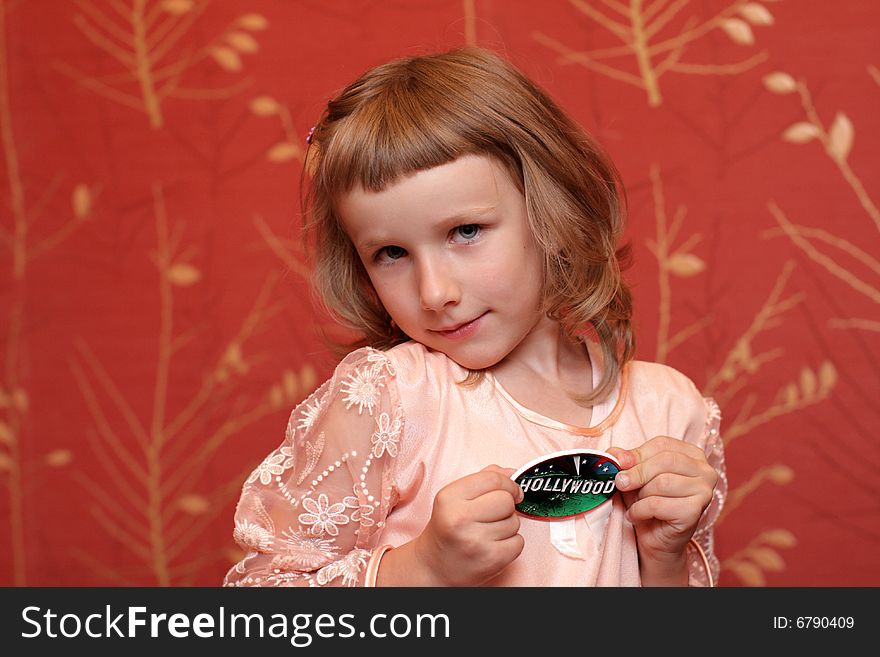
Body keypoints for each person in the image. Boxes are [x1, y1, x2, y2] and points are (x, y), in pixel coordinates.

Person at [224, 47, 726, 587]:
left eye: (465, 232)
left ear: (551, 209)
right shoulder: (392, 399)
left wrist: (665, 556)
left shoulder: (671, 409)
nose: (434, 292)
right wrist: (421, 569)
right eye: (391, 253)